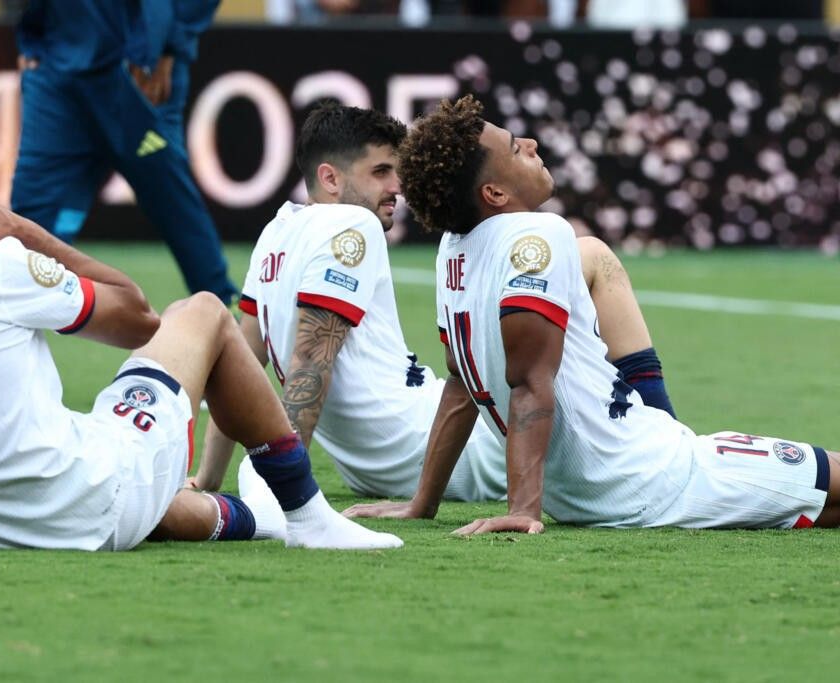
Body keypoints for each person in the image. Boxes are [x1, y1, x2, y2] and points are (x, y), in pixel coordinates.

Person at [0, 141, 402, 551]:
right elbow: (137, 319)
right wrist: (23, 231)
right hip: (84, 500)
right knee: (201, 311)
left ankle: (258, 516)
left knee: (121, 472)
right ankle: (306, 513)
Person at [348, 95, 840, 532]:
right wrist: (523, 509)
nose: (532, 144)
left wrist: (423, 502)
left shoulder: (453, 249)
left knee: (824, 505)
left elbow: (462, 384)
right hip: (657, 475)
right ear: (494, 194)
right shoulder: (539, 236)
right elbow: (529, 382)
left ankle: (662, 422)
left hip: (589, 496)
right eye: (516, 148)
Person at [194, 103, 675, 506]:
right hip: (450, 449)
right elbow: (311, 361)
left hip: (376, 468)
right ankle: (662, 434)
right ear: (330, 178)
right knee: (591, 255)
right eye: (380, 172)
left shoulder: (276, 233)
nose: (396, 187)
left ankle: (655, 433)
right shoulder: (352, 225)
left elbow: (242, 363)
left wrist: (207, 478)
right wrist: (290, 490)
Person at [11, 0, 236, 304]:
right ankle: (9, 321)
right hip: (56, 64)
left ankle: (226, 308)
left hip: (138, 68)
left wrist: (168, 43)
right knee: (32, 217)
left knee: (171, 200)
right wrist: (32, 35)